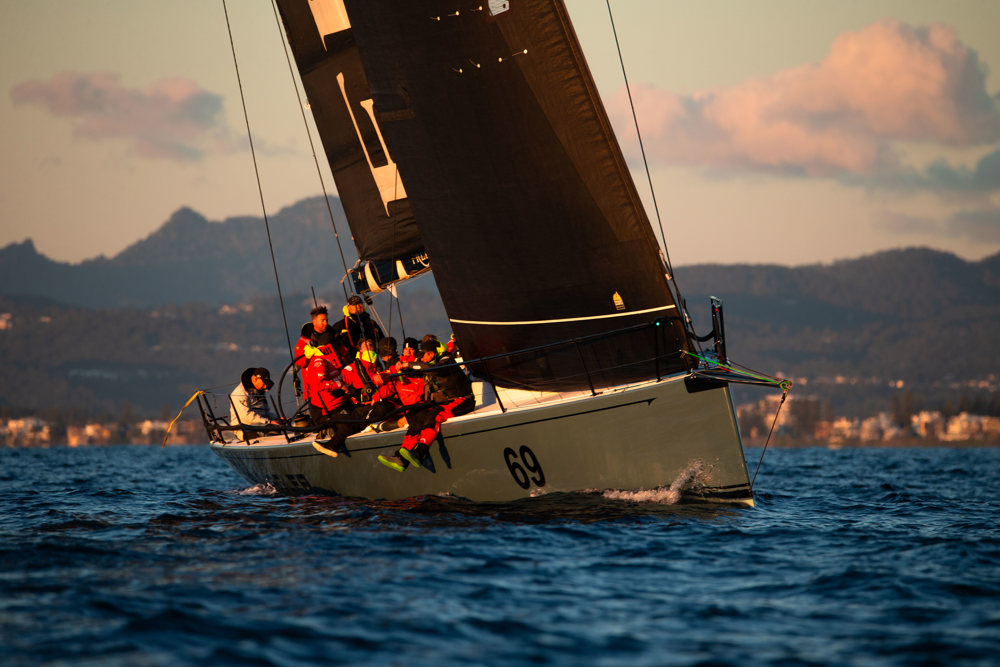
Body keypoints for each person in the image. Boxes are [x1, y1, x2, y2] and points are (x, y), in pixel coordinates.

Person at [378, 339, 474, 472]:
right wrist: (385, 374)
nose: (421, 359)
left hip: (463, 400)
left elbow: (433, 370)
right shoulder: (427, 363)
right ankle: (402, 457)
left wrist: (409, 363)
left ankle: (420, 452)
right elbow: (410, 371)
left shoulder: (446, 360)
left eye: (423, 355)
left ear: (431, 354)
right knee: (418, 417)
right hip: (443, 402)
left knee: (435, 416)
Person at [301, 355, 360, 449]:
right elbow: (319, 384)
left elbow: (344, 376)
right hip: (327, 412)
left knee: (360, 414)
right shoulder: (319, 361)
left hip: (343, 404)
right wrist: (340, 385)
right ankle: (330, 440)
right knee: (352, 422)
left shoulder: (335, 357)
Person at [229, 367, 281, 441]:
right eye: (263, 384)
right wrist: (268, 422)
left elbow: (266, 412)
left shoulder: (259, 391)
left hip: (261, 426)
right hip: (244, 429)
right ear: (255, 379)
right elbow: (246, 416)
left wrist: (276, 419)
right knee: (265, 438)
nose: (265, 387)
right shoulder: (239, 393)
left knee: (276, 431)